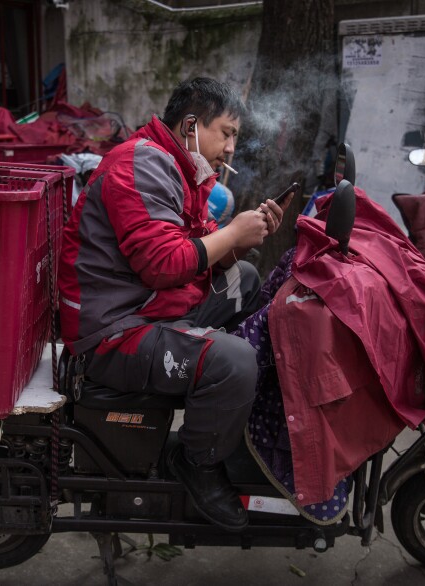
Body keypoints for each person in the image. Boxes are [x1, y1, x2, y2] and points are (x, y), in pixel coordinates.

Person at [58, 77, 293, 531]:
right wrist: (233, 232)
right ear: (190, 126)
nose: (230, 148)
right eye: (226, 133)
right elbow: (164, 264)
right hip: (113, 330)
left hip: (150, 306)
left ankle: (225, 407)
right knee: (235, 360)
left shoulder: (178, 167)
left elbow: (198, 252)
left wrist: (242, 240)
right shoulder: (141, 164)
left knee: (244, 277)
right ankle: (197, 461)